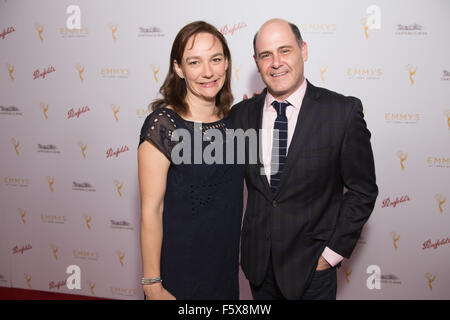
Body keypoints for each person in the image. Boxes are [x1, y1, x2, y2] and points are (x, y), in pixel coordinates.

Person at [230, 18, 378, 300]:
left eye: (284, 50)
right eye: (266, 55)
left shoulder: (342, 112)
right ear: (256, 61)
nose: (276, 62)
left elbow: (363, 191)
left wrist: (330, 256)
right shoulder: (241, 115)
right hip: (258, 268)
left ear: (303, 51)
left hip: (314, 271)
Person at [138, 21, 243, 300]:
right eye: (194, 62)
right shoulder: (163, 125)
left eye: (216, 59)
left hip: (224, 271)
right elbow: (152, 209)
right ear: (178, 68)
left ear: (227, 63)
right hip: (179, 274)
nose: (208, 72)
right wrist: (152, 285)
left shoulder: (236, 123)